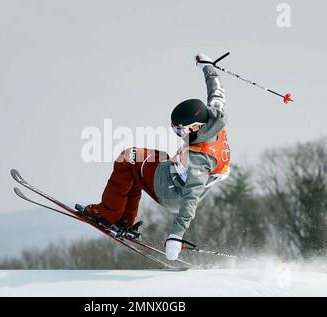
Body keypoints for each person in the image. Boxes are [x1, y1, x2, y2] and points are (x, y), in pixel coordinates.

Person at [79, 53, 230, 261]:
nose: (180, 135)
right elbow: (217, 93)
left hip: (171, 191)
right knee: (141, 165)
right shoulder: (214, 118)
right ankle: (123, 220)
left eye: (180, 131)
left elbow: (190, 200)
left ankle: (108, 215)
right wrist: (207, 67)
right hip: (174, 171)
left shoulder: (199, 159)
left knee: (128, 157)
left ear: (196, 126)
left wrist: (176, 236)